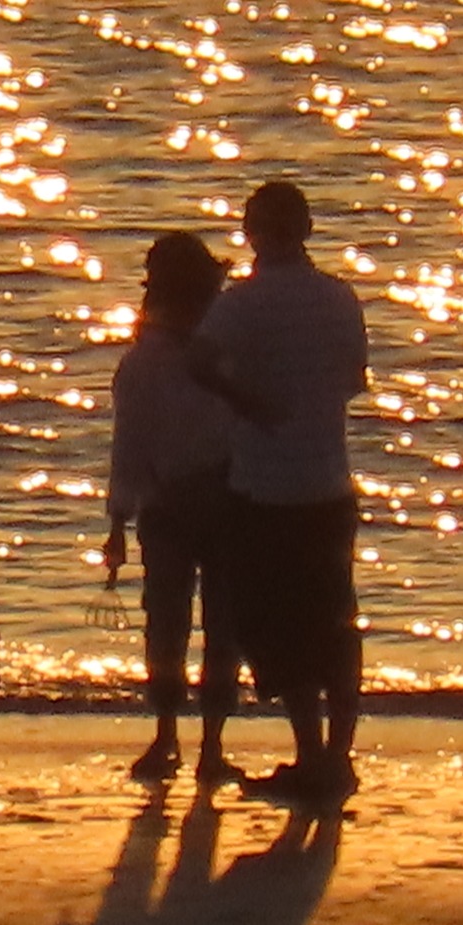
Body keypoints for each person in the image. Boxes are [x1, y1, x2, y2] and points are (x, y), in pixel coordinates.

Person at [188, 180, 368, 804]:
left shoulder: (244, 302)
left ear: (254, 234)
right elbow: (354, 380)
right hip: (326, 480)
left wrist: (249, 402)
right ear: (308, 232)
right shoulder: (339, 298)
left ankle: (313, 755)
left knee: (280, 627)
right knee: (334, 620)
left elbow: (198, 362)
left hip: (264, 488)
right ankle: (335, 758)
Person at [104, 232, 242, 786]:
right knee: (222, 626)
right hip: (232, 499)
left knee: (166, 625)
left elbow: (127, 452)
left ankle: (167, 738)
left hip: (166, 505)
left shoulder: (142, 362)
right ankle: (209, 748)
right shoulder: (231, 349)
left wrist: (116, 522)